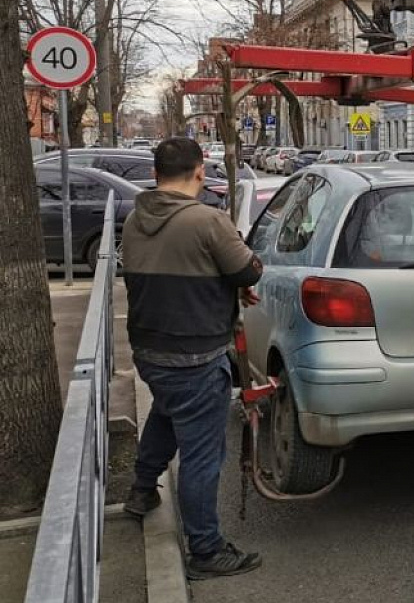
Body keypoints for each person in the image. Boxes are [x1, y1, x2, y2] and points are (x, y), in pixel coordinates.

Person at [120, 137, 264, 580]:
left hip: (149, 349)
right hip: (195, 354)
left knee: (166, 414)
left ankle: (142, 490)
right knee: (202, 457)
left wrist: (224, 284)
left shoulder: (135, 219)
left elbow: (180, 272)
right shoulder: (207, 220)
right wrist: (238, 281)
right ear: (200, 171)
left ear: (156, 174)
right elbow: (248, 269)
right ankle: (205, 550)